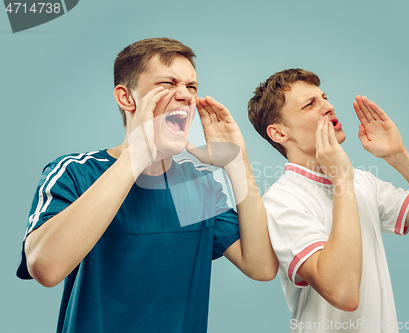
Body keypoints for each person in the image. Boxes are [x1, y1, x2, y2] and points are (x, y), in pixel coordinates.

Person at [17, 37, 278, 333]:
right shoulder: (78, 173)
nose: (185, 96)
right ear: (127, 98)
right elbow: (45, 268)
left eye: (191, 86)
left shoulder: (192, 187)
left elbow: (260, 267)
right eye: (167, 84)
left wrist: (237, 162)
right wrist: (137, 155)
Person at [247, 68, 409, 333]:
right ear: (279, 134)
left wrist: (399, 156)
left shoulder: (363, 182)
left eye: (324, 97)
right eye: (310, 104)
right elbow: (343, 294)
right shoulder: (281, 201)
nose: (329, 107)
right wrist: (342, 180)